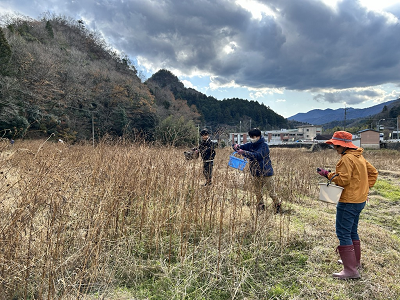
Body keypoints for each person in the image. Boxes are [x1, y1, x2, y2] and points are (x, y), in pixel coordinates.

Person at [317, 131, 378, 280]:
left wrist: (327, 174)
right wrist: (363, 188)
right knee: (352, 231)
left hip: (348, 201)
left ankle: (350, 270)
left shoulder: (346, 159)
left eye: (336, 146)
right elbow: (374, 173)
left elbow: (343, 180)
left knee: (343, 232)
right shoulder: (359, 156)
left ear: (342, 146)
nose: (335, 149)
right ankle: (354, 262)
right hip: (360, 200)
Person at [233, 128, 281, 214]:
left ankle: (277, 205)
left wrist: (244, 152)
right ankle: (261, 207)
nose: (252, 138)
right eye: (250, 136)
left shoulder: (264, 146)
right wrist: (236, 146)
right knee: (258, 192)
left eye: (253, 136)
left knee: (271, 192)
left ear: (258, 136)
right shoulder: (250, 145)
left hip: (266, 172)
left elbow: (257, 156)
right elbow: (241, 147)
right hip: (255, 172)